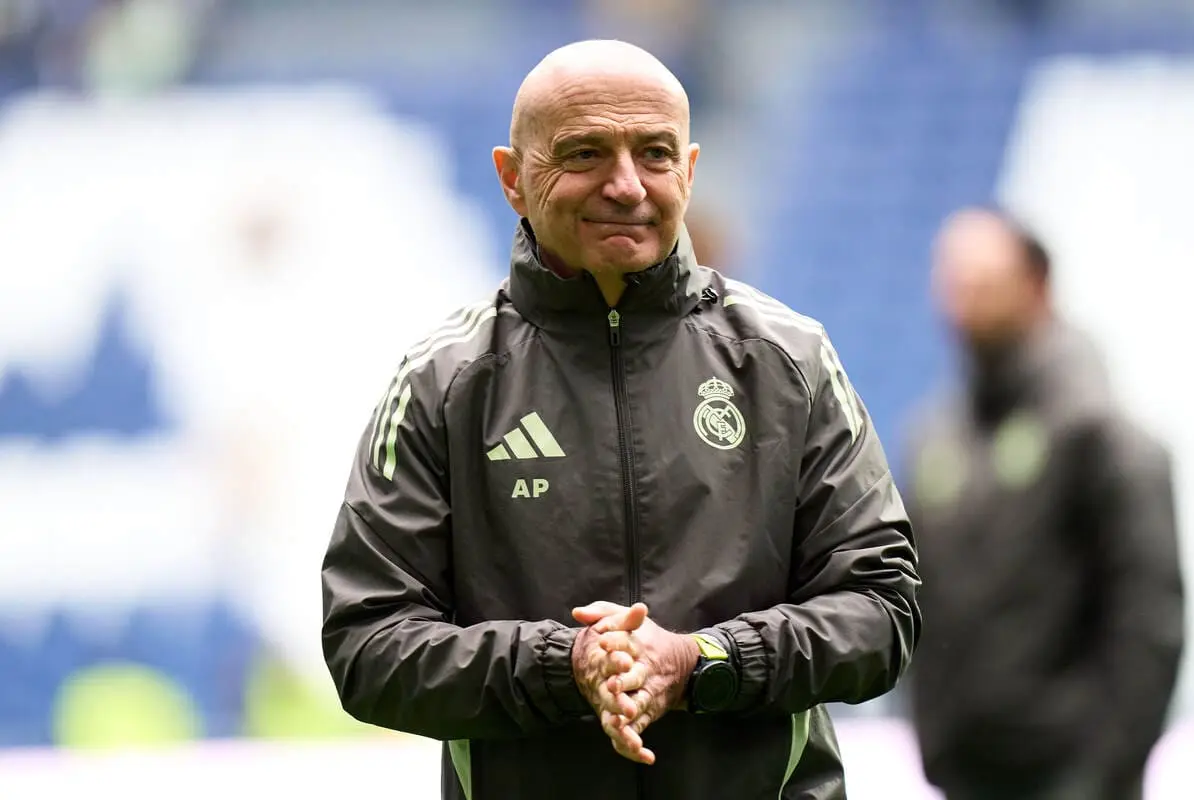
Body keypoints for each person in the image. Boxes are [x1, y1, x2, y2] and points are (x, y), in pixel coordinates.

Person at [321, 39, 919, 800]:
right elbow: (366, 645)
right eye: (585, 153)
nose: (627, 185)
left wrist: (703, 660)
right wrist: (563, 666)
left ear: (691, 171)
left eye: (655, 154)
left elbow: (883, 610)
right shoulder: (444, 382)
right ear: (512, 178)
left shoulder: (788, 360)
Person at [903, 207, 1185, 800]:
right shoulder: (937, 437)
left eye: (984, 278)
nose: (963, 294)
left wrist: (1102, 772)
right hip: (966, 772)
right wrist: (936, 744)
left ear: (1035, 285)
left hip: (1074, 776)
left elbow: (1149, 616)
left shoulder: (1098, 430)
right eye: (953, 277)